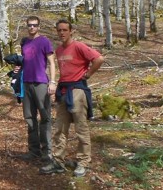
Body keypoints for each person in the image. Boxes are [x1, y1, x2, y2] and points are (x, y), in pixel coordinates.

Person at [40, 19, 104, 177]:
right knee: (60, 128)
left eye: (64, 30)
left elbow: (99, 59)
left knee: (81, 128)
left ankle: (83, 162)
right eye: (59, 30)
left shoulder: (79, 46)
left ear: (71, 31)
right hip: (63, 91)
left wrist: (87, 75)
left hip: (77, 90)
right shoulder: (59, 50)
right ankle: (58, 161)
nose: (62, 33)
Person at [19, 16, 56, 162]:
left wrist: (52, 82)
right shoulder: (24, 42)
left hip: (41, 82)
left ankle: (47, 151)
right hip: (26, 83)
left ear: (38, 26)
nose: (32, 28)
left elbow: (52, 62)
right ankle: (34, 150)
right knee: (29, 117)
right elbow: (25, 62)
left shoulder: (44, 41)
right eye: (29, 25)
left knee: (45, 117)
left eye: (34, 25)